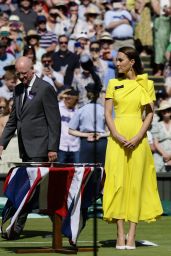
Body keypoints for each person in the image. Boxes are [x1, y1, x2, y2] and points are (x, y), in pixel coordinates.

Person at [103, 46, 163, 250]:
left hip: (139, 139)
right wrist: (118, 136)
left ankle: (132, 235)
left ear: (132, 61)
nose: (117, 63)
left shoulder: (146, 83)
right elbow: (108, 114)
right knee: (117, 183)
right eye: (116, 60)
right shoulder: (112, 83)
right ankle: (120, 234)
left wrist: (138, 137)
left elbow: (149, 114)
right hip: (116, 139)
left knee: (136, 183)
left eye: (120, 59)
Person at [0, 56, 61, 239]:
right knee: (32, 191)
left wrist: (52, 148)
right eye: (18, 74)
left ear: (32, 69)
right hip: (25, 150)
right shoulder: (18, 89)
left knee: (34, 191)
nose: (21, 77)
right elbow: (13, 120)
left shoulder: (45, 89)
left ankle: (18, 229)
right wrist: (2, 143)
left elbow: (54, 121)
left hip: (41, 149)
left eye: (24, 73)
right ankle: (18, 228)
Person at [69, 82, 108, 165]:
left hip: (87, 142)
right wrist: (101, 135)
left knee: (85, 171)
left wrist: (86, 135)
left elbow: (71, 130)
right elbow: (111, 131)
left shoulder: (81, 110)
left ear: (87, 94)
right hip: (101, 141)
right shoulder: (104, 110)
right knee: (101, 170)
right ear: (99, 95)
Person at [58, 88, 80, 163]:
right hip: (61, 146)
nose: (66, 100)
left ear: (76, 100)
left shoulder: (78, 112)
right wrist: (64, 93)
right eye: (66, 98)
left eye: (69, 99)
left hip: (75, 147)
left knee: (77, 172)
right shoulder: (58, 108)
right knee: (60, 171)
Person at [151, 100, 171, 172]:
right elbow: (155, 142)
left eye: (168, 110)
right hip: (160, 155)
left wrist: (170, 156)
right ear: (161, 112)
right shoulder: (157, 125)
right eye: (164, 110)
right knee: (156, 173)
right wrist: (164, 154)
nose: (166, 112)